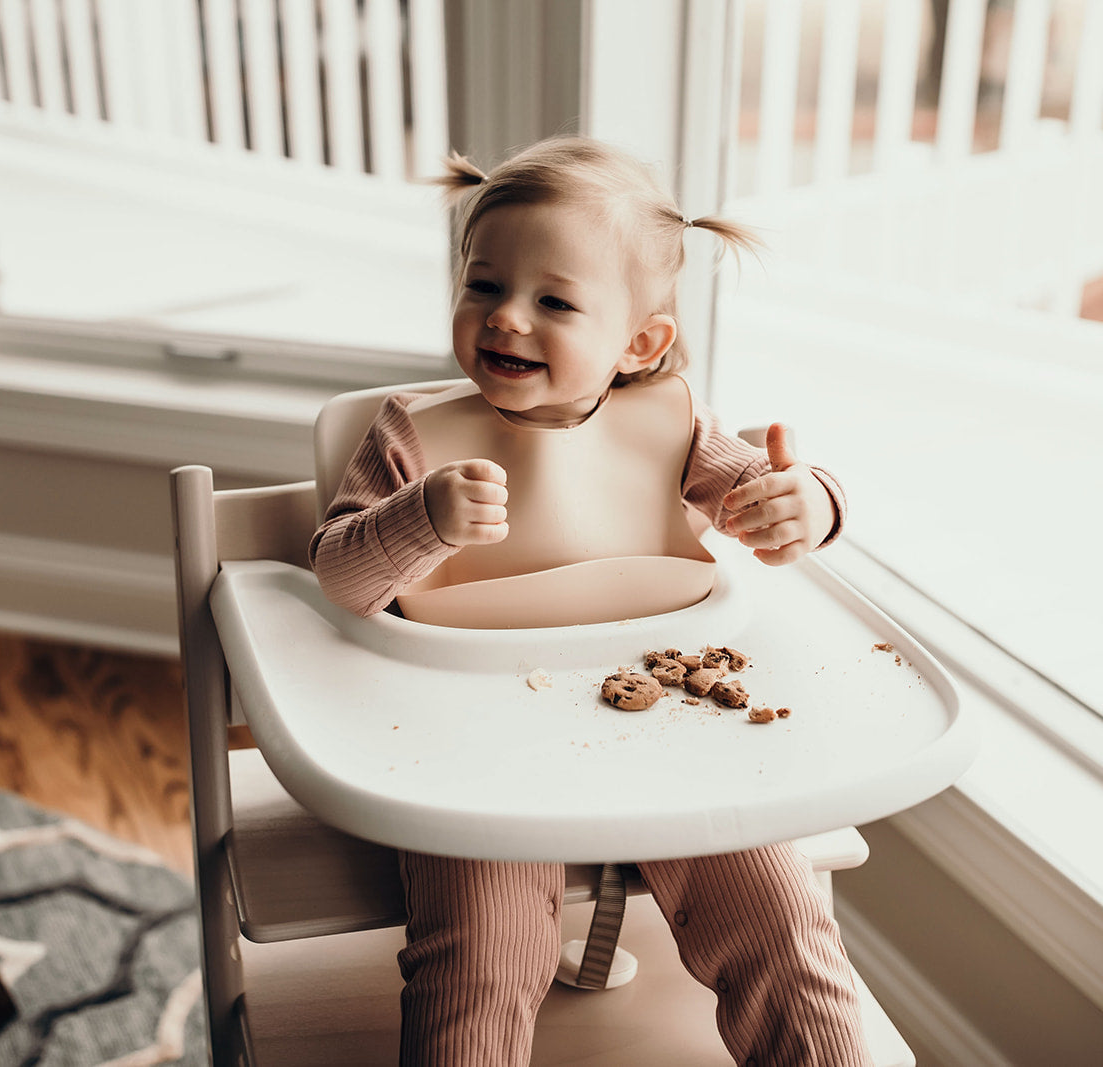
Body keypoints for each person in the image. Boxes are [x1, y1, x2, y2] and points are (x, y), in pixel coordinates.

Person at [311, 136, 870, 1066]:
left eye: (554, 301)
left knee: (783, 919)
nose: (506, 320)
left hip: (667, 723)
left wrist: (805, 503)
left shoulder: (675, 427)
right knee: (480, 961)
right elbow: (339, 575)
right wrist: (421, 520)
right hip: (466, 741)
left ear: (639, 342)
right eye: (483, 286)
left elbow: (750, 502)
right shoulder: (415, 436)